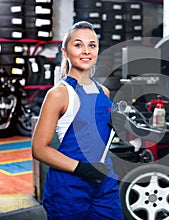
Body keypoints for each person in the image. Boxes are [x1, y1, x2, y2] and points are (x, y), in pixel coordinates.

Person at [32, 21, 124, 219]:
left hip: (104, 183)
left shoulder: (103, 91)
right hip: (68, 188)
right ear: (65, 51)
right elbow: (39, 149)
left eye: (92, 45)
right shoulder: (59, 94)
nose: (86, 51)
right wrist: (82, 168)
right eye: (78, 45)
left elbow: (99, 138)